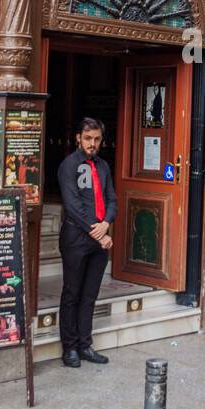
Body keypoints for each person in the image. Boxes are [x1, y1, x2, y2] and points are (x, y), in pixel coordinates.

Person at [56, 117, 117, 368]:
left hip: (98, 242)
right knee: (72, 293)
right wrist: (101, 233)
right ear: (78, 139)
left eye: (97, 139)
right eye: (88, 138)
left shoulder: (103, 166)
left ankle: (85, 344)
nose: (93, 144)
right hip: (76, 239)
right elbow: (73, 206)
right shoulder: (69, 166)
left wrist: (107, 222)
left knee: (90, 294)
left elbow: (112, 198)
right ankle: (69, 347)